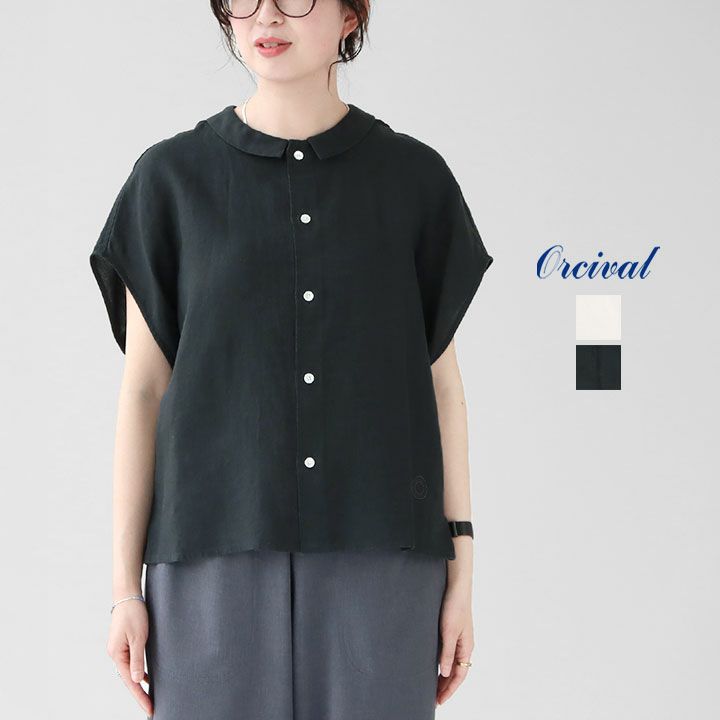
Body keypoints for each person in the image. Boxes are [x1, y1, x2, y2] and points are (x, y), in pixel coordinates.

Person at [90, 0, 494, 718]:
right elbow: (144, 392)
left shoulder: (414, 180)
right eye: (243, 0)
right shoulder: (169, 181)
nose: (265, 17)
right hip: (209, 555)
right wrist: (125, 588)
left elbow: (441, 387)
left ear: (350, 16)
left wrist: (463, 570)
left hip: (385, 555)